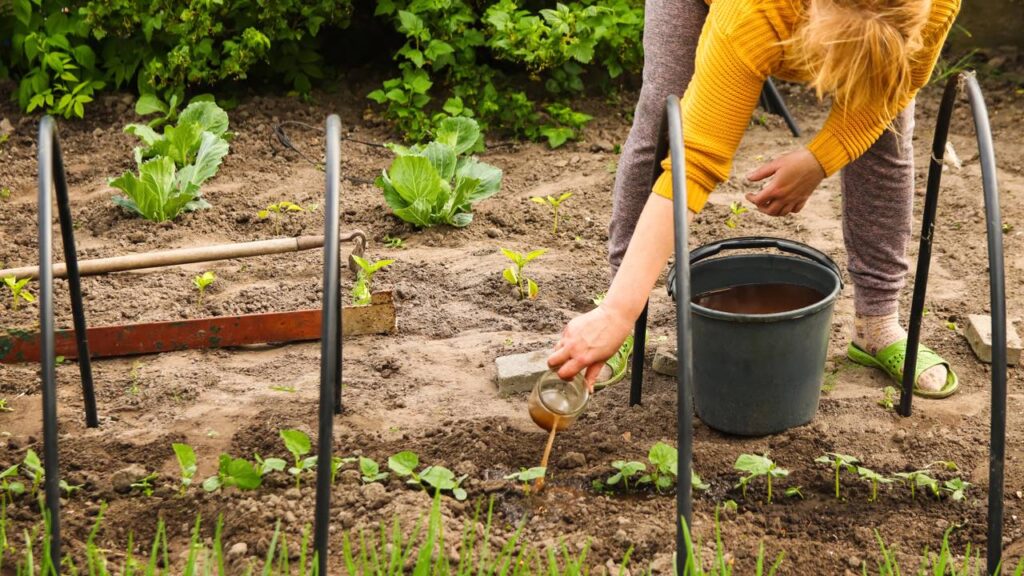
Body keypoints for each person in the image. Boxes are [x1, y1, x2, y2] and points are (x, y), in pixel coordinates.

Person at [548, 0, 962, 397]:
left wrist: (820, 159)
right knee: (665, 115)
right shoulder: (756, 9)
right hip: (743, 9)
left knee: (887, 137)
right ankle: (619, 312)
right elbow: (693, 158)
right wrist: (619, 310)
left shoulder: (934, 5)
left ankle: (877, 323)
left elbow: (885, 98)